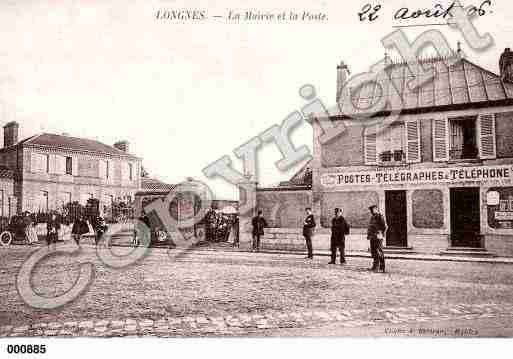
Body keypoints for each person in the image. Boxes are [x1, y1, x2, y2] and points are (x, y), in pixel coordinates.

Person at [367, 205, 387, 273]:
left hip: (378, 236)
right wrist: (369, 235)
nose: (371, 211)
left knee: (379, 252)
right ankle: (375, 266)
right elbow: (370, 227)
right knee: (373, 251)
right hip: (372, 236)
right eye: (371, 210)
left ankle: (381, 267)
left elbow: (385, 226)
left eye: (372, 210)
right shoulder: (372, 217)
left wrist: (381, 234)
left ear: (376, 209)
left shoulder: (380, 216)